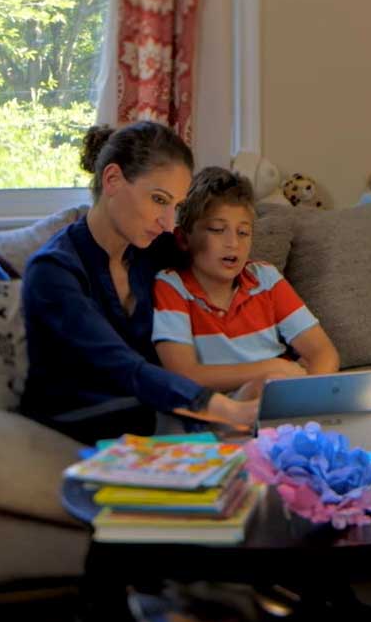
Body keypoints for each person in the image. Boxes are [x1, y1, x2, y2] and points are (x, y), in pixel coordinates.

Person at [18, 123, 258, 444]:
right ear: (113, 179)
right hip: (78, 422)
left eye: (176, 207)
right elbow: (122, 366)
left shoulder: (151, 250)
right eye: (159, 200)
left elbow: (216, 259)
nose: (168, 222)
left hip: (150, 409)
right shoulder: (53, 272)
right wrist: (226, 410)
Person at [151, 167, 339, 393]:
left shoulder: (265, 278)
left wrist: (309, 394)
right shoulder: (172, 286)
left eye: (243, 233)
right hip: (223, 410)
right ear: (183, 238)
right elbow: (184, 374)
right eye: (218, 230)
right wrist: (271, 369)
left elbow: (323, 353)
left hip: (282, 399)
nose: (233, 243)